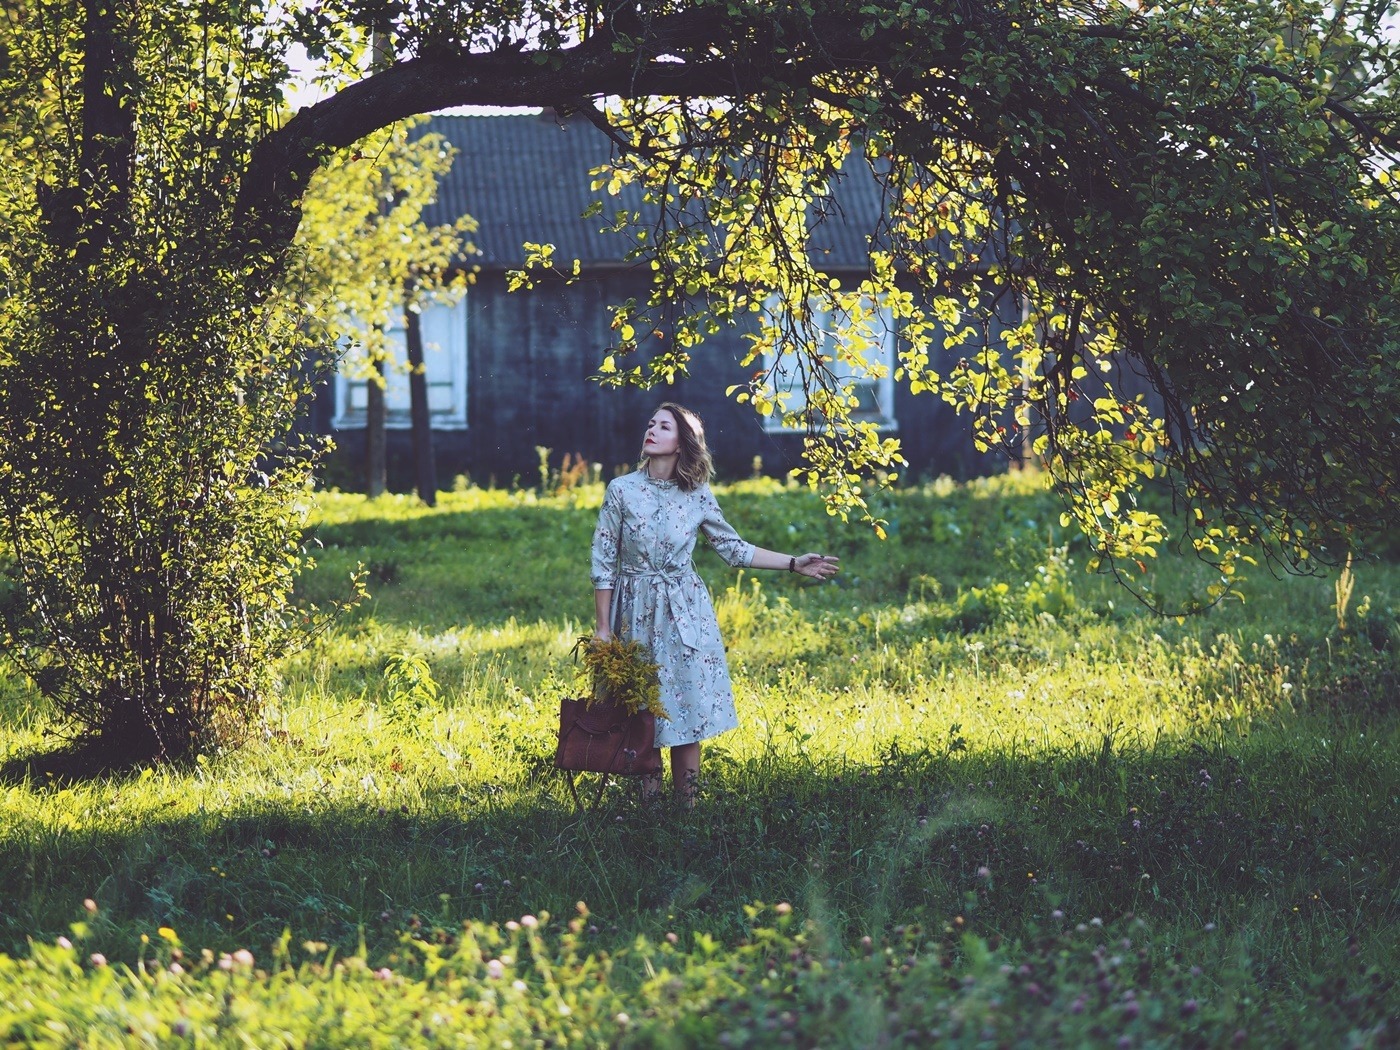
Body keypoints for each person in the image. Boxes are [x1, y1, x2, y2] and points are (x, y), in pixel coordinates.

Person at [590, 402, 839, 804]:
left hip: (685, 614)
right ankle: (648, 816)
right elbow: (603, 561)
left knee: (685, 711)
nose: (651, 430)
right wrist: (603, 628)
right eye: (650, 423)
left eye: (664, 426)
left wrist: (793, 564)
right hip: (632, 610)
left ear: (683, 442)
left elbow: (733, 548)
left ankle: (688, 813)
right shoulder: (622, 491)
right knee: (642, 711)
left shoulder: (697, 495)